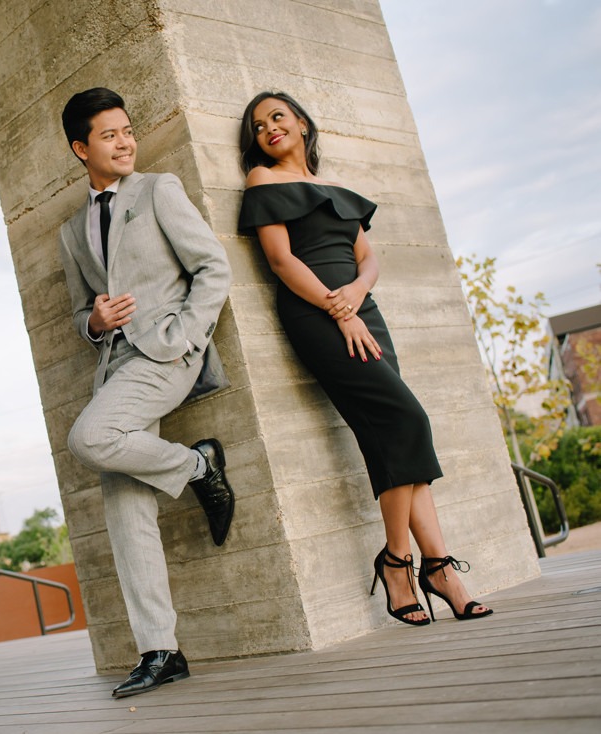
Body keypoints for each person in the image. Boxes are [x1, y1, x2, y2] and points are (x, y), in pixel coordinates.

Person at [236, 91, 493, 627]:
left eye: (278, 117)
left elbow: (368, 256)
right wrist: (340, 310)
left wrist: (357, 294)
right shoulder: (262, 180)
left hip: (362, 308)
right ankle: (402, 562)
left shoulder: (335, 189)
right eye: (259, 126)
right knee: (407, 420)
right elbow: (281, 261)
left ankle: (436, 566)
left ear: (302, 123)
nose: (269, 129)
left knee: (394, 435)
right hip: (318, 317)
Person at [58, 88, 235, 698]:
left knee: (90, 437)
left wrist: (187, 336)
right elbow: (81, 310)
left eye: (127, 130)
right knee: (125, 509)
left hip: (165, 355)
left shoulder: (159, 190)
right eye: (109, 135)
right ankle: (161, 649)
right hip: (115, 364)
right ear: (81, 149)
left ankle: (199, 464)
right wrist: (95, 323)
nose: (125, 141)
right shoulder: (72, 231)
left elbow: (213, 267)